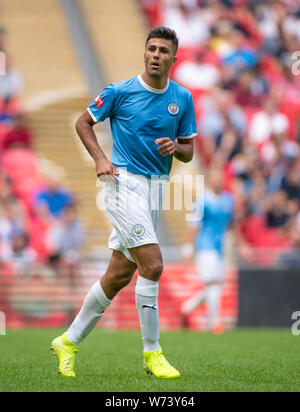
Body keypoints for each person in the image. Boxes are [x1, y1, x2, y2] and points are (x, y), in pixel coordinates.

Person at [51, 26, 197, 378]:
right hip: (122, 184)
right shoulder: (120, 91)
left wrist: (176, 148)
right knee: (154, 265)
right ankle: (153, 353)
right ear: (144, 53)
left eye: (164, 51)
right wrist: (101, 159)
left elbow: (189, 151)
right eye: (152, 49)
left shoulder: (183, 98)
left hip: (156, 190)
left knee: (118, 275)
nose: (156, 55)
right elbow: (83, 122)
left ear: (173, 59)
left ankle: (67, 341)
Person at [181, 167, 238, 333]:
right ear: (209, 180)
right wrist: (188, 247)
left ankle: (187, 307)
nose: (217, 180)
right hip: (205, 247)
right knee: (213, 283)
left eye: (219, 177)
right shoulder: (202, 201)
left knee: (216, 286)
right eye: (214, 177)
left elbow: (233, 224)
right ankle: (215, 324)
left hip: (221, 248)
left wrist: (239, 244)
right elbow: (193, 225)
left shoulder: (229, 200)